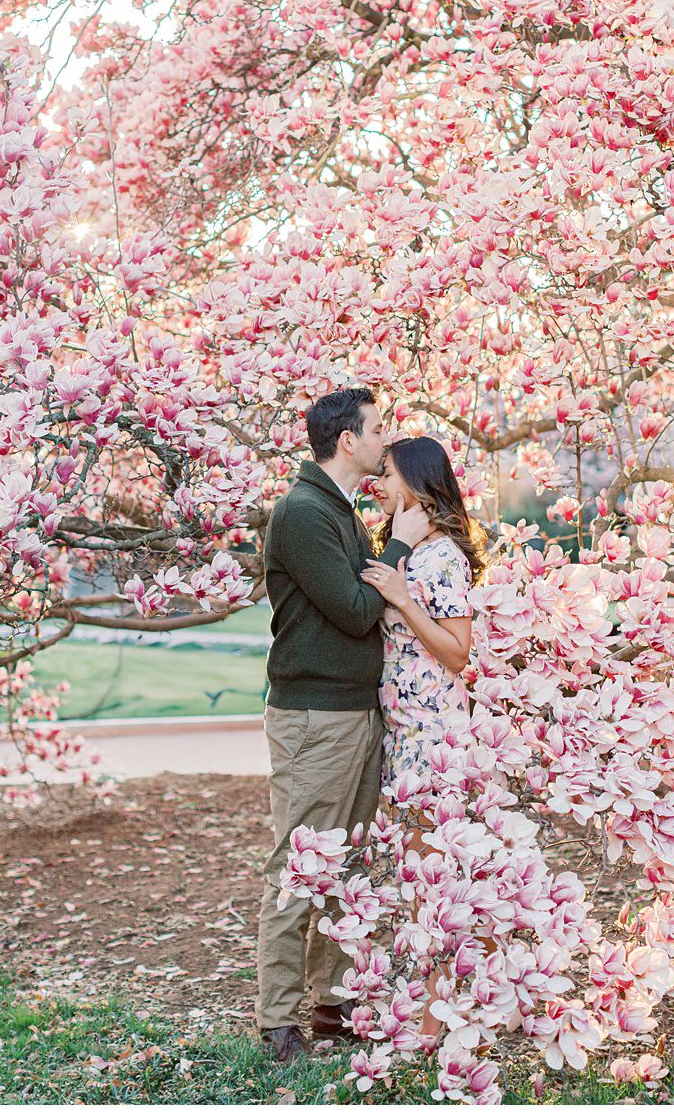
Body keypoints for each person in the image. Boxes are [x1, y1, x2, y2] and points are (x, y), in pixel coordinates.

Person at [256, 388, 427, 1062]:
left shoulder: (339, 511)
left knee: (345, 865)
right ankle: (276, 1022)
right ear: (348, 440)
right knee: (302, 862)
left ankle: (330, 1004)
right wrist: (402, 547)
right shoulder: (302, 514)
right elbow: (358, 610)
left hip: (354, 712)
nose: (388, 438)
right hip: (314, 717)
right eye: (379, 428)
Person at [360, 434, 480, 1043]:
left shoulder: (444, 560)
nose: (378, 485)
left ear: (415, 480)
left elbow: (457, 654)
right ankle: (434, 1002)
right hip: (403, 735)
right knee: (415, 879)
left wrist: (403, 599)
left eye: (387, 475)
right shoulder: (407, 548)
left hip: (433, 738)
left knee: (429, 881)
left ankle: (436, 1016)